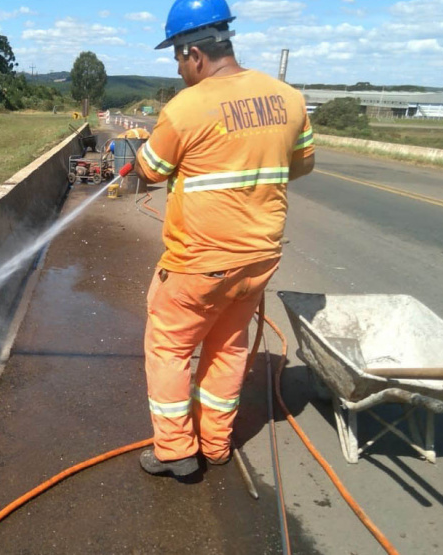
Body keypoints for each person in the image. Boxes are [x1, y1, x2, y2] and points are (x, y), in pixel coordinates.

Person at [134, 0, 315, 478]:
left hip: (197, 264)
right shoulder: (287, 99)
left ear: (193, 52)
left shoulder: (186, 108)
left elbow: (149, 171)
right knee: (229, 347)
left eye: (177, 58)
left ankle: (175, 452)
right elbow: (300, 165)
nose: (179, 69)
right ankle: (215, 444)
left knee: (169, 350)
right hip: (258, 260)